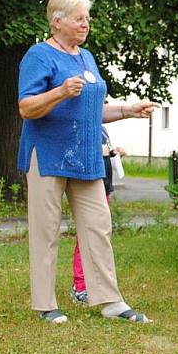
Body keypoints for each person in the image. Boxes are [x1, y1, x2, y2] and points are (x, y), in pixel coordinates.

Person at [17, 0, 157, 324]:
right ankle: (45, 304)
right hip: (48, 155)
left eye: (87, 18)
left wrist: (127, 110)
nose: (86, 24)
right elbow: (26, 107)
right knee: (47, 230)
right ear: (58, 21)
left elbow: (92, 108)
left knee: (98, 226)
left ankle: (110, 301)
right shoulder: (39, 56)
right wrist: (60, 91)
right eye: (80, 18)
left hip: (86, 156)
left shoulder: (86, 57)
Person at [70, 126, 125, 304]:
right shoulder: (82, 127)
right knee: (85, 237)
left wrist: (115, 153)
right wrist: (97, 151)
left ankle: (98, 286)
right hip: (89, 187)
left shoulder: (102, 129)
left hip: (104, 187)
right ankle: (80, 287)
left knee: (101, 235)